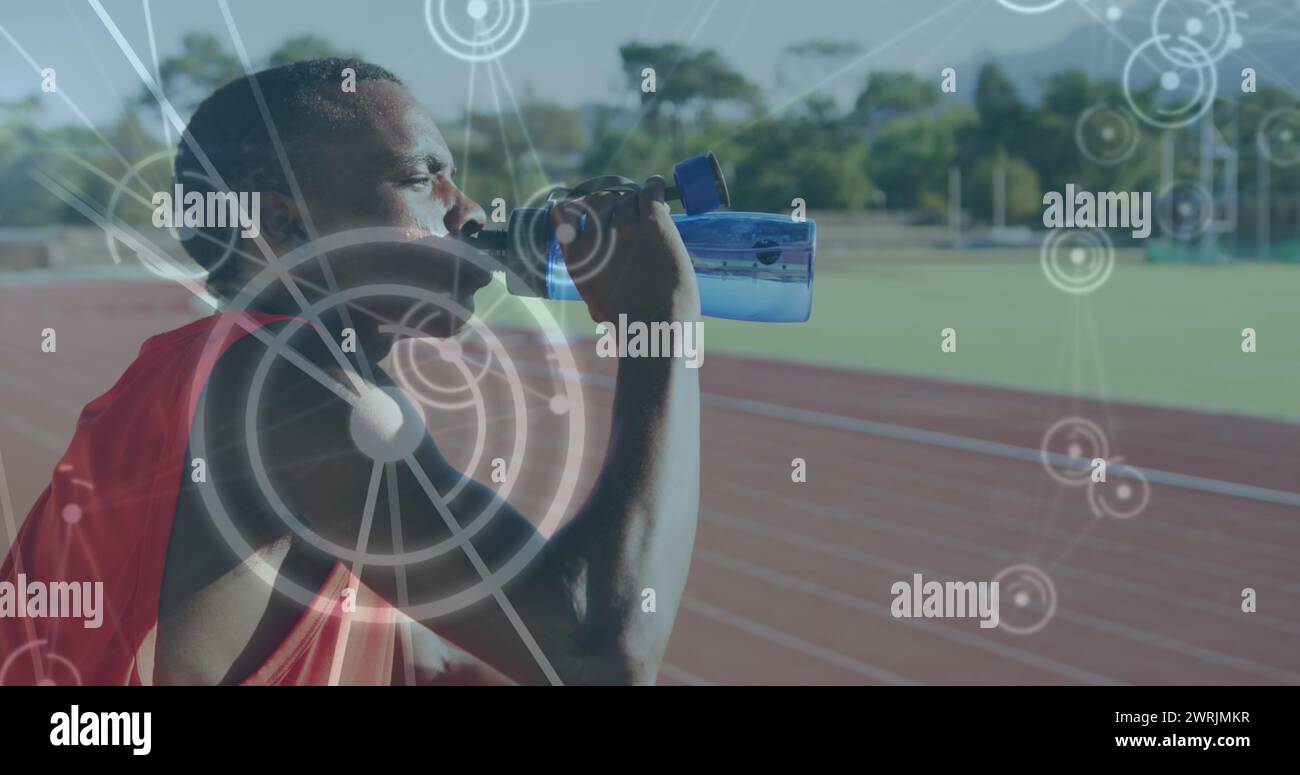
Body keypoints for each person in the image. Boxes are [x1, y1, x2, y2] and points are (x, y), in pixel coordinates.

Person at [0, 58, 700, 686]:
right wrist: (659, 328)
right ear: (287, 229)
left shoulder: (230, 367)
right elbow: (597, 654)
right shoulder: (289, 386)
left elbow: (425, 665)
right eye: (422, 179)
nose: (469, 211)